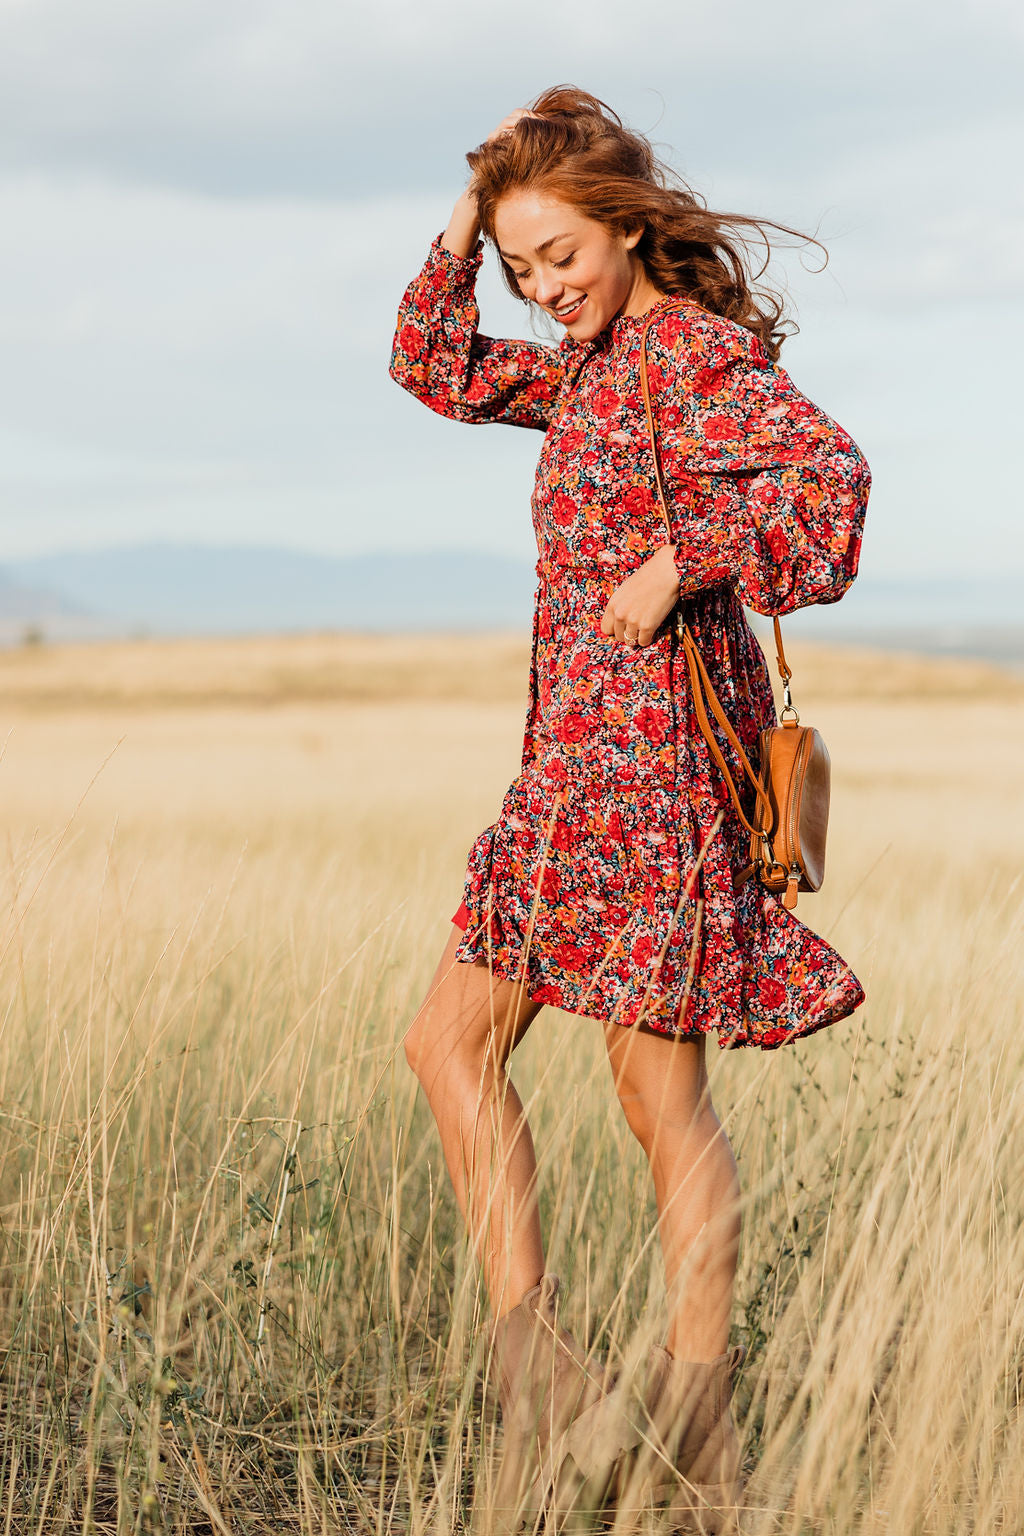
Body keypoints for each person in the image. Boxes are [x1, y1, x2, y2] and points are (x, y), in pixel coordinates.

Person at [390, 85, 869, 1534]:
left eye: (561, 254)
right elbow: (429, 363)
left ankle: (696, 1432)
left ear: (626, 225)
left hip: (657, 782)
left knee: (658, 1101)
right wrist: (468, 221)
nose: (544, 287)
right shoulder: (586, 369)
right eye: (521, 266)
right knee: (446, 1046)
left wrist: (684, 559)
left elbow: (833, 492)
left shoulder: (690, 355)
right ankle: (549, 1377)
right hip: (568, 778)